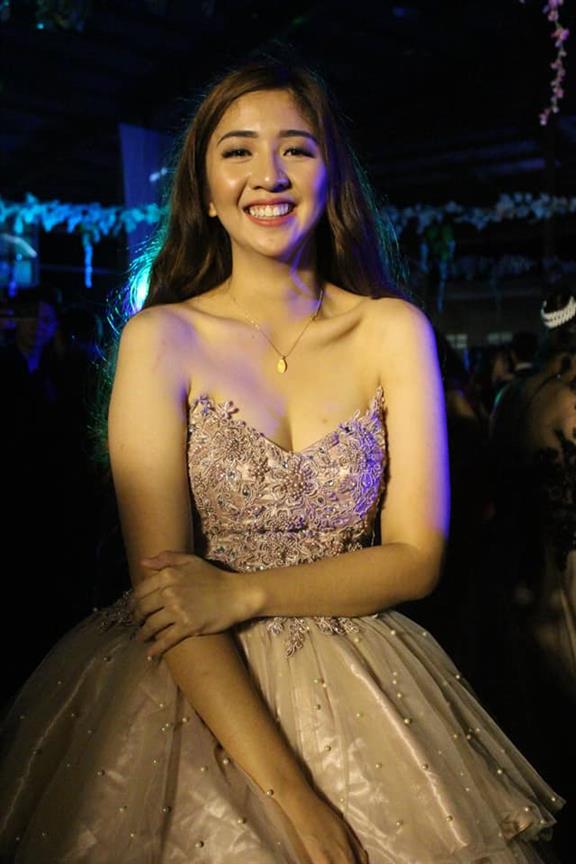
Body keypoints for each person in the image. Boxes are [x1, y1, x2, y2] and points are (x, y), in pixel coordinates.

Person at [0, 61, 563, 864]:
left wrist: (242, 592)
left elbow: (417, 558)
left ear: (332, 177)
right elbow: (168, 595)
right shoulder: (161, 339)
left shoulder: (392, 330)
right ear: (203, 191)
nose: (268, 174)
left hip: (366, 692)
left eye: (296, 149)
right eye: (238, 151)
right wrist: (295, 799)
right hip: (187, 689)